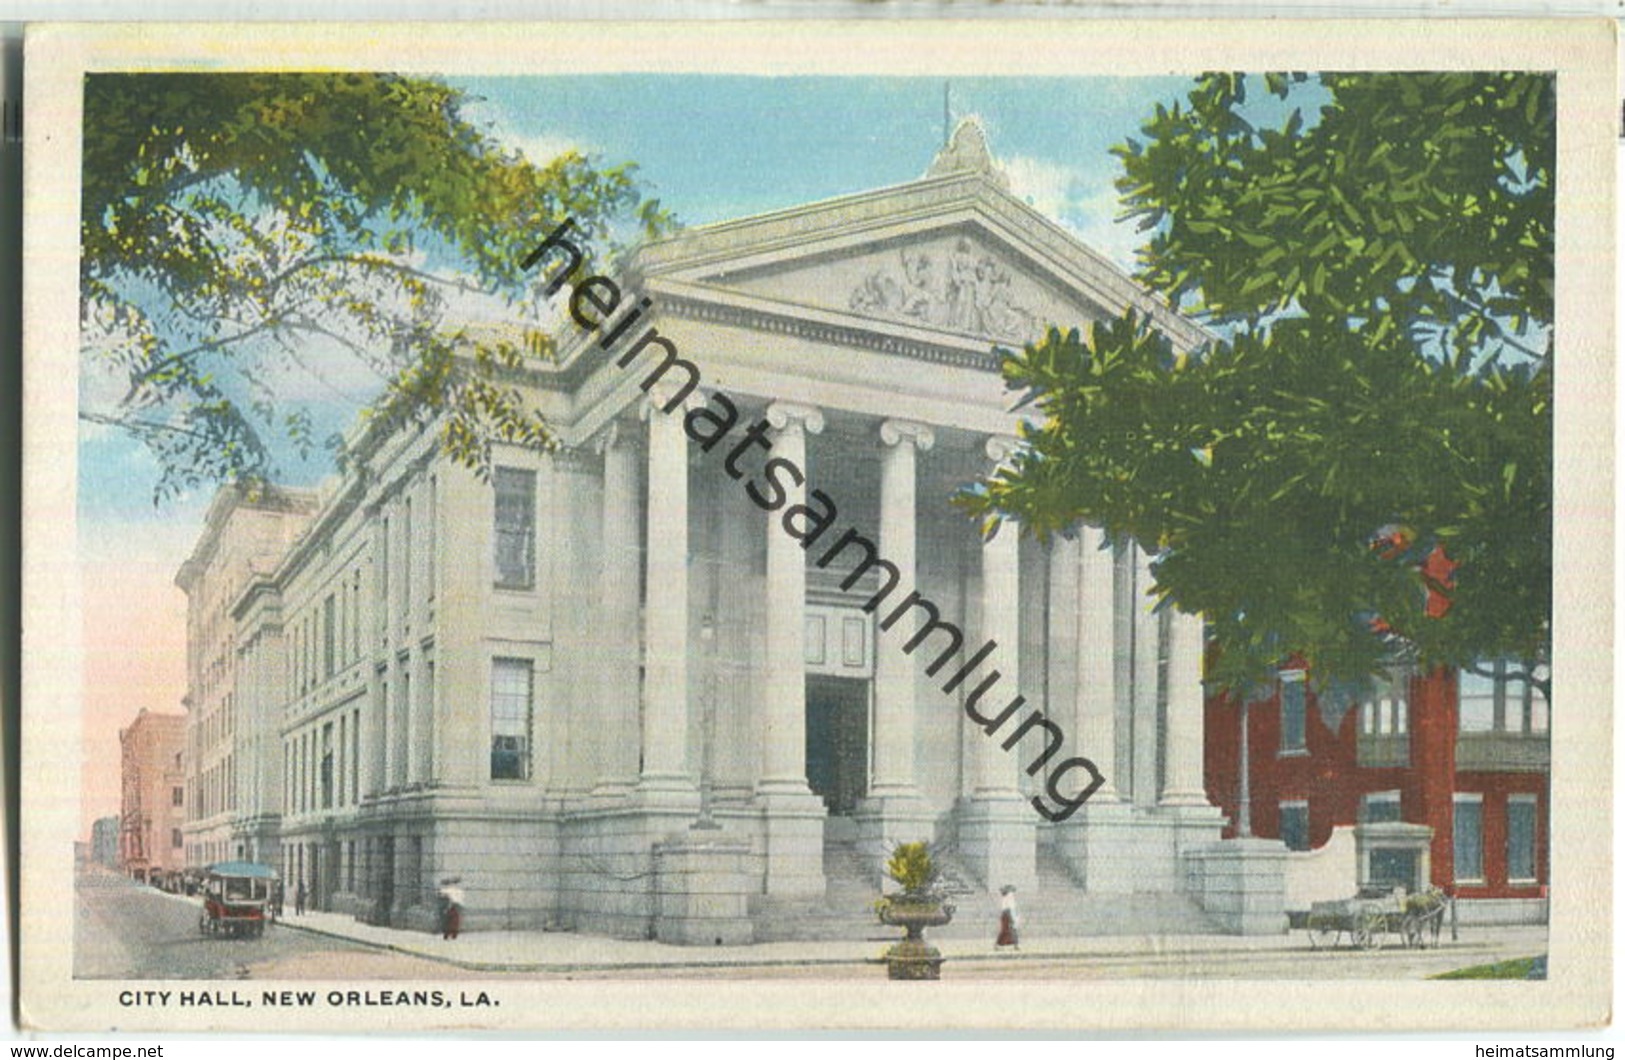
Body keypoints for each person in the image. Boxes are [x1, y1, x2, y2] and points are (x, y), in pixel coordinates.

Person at [996, 884, 1020, 950]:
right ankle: (1015, 945)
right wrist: (1012, 918)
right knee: (1009, 930)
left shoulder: (1006, 896)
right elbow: (1010, 907)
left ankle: (1015, 945)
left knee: (1008, 930)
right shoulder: (1009, 895)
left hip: (1007, 914)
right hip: (1008, 914)